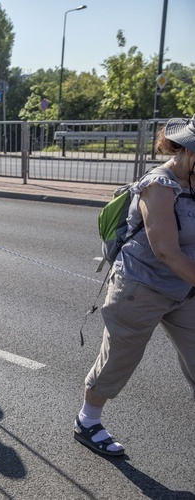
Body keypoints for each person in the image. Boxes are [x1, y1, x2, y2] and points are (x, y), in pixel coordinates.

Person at [74, 116, 195, 457]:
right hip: (139, 288)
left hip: (184, 291)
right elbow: (166, 250)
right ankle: (87, 421)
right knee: (117, 363)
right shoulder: (158, 184)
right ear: (187, 149)